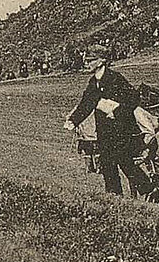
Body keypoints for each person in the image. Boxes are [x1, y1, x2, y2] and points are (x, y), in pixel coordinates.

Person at [63, 54, 150, 196]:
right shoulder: (93, 82)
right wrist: (73, 121)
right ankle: (114, 197)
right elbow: (86, 103)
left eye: (90, 60)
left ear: (101, 61)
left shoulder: (115, 78)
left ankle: (149, 190)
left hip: (122, 131)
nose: (87, 62)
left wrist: (117, 111)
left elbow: (133, 98)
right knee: (108, 165)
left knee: (125, 163)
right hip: (104, 132)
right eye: (86, 60)